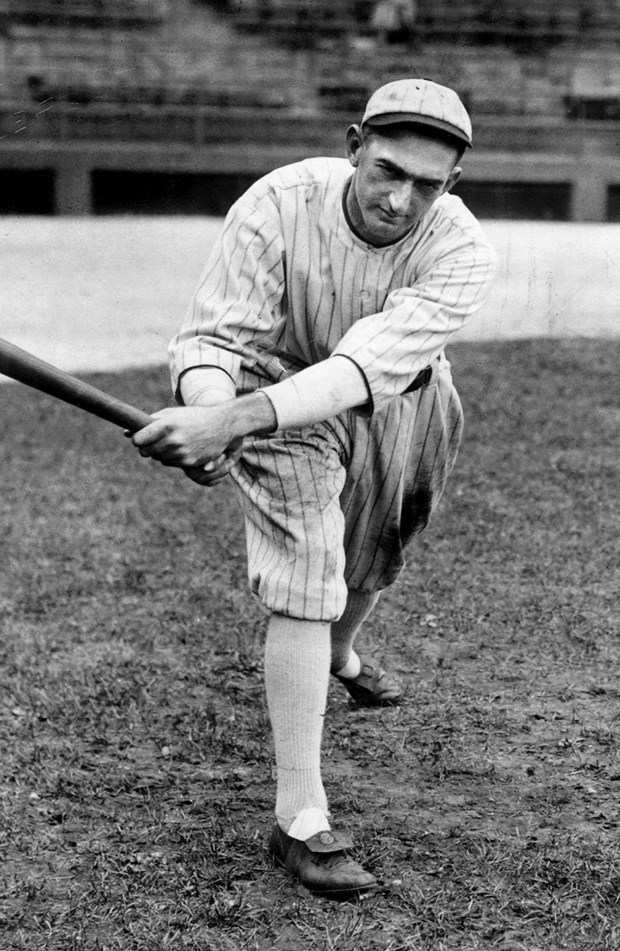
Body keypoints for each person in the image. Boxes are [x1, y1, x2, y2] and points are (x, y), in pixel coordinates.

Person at [132, 78, 496, 900]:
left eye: (427, 185)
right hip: (273, 389)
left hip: (401, 391)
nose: (401, 199)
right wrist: (211, 409)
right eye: (388, 170)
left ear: (452, 187)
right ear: (353, 144)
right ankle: (299, 813)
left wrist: (232, 422)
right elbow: (214, 335)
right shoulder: (275, 203)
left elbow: (368, 367)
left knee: (378, 545)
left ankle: (340, 651)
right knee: (305, 572)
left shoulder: (463, 250)